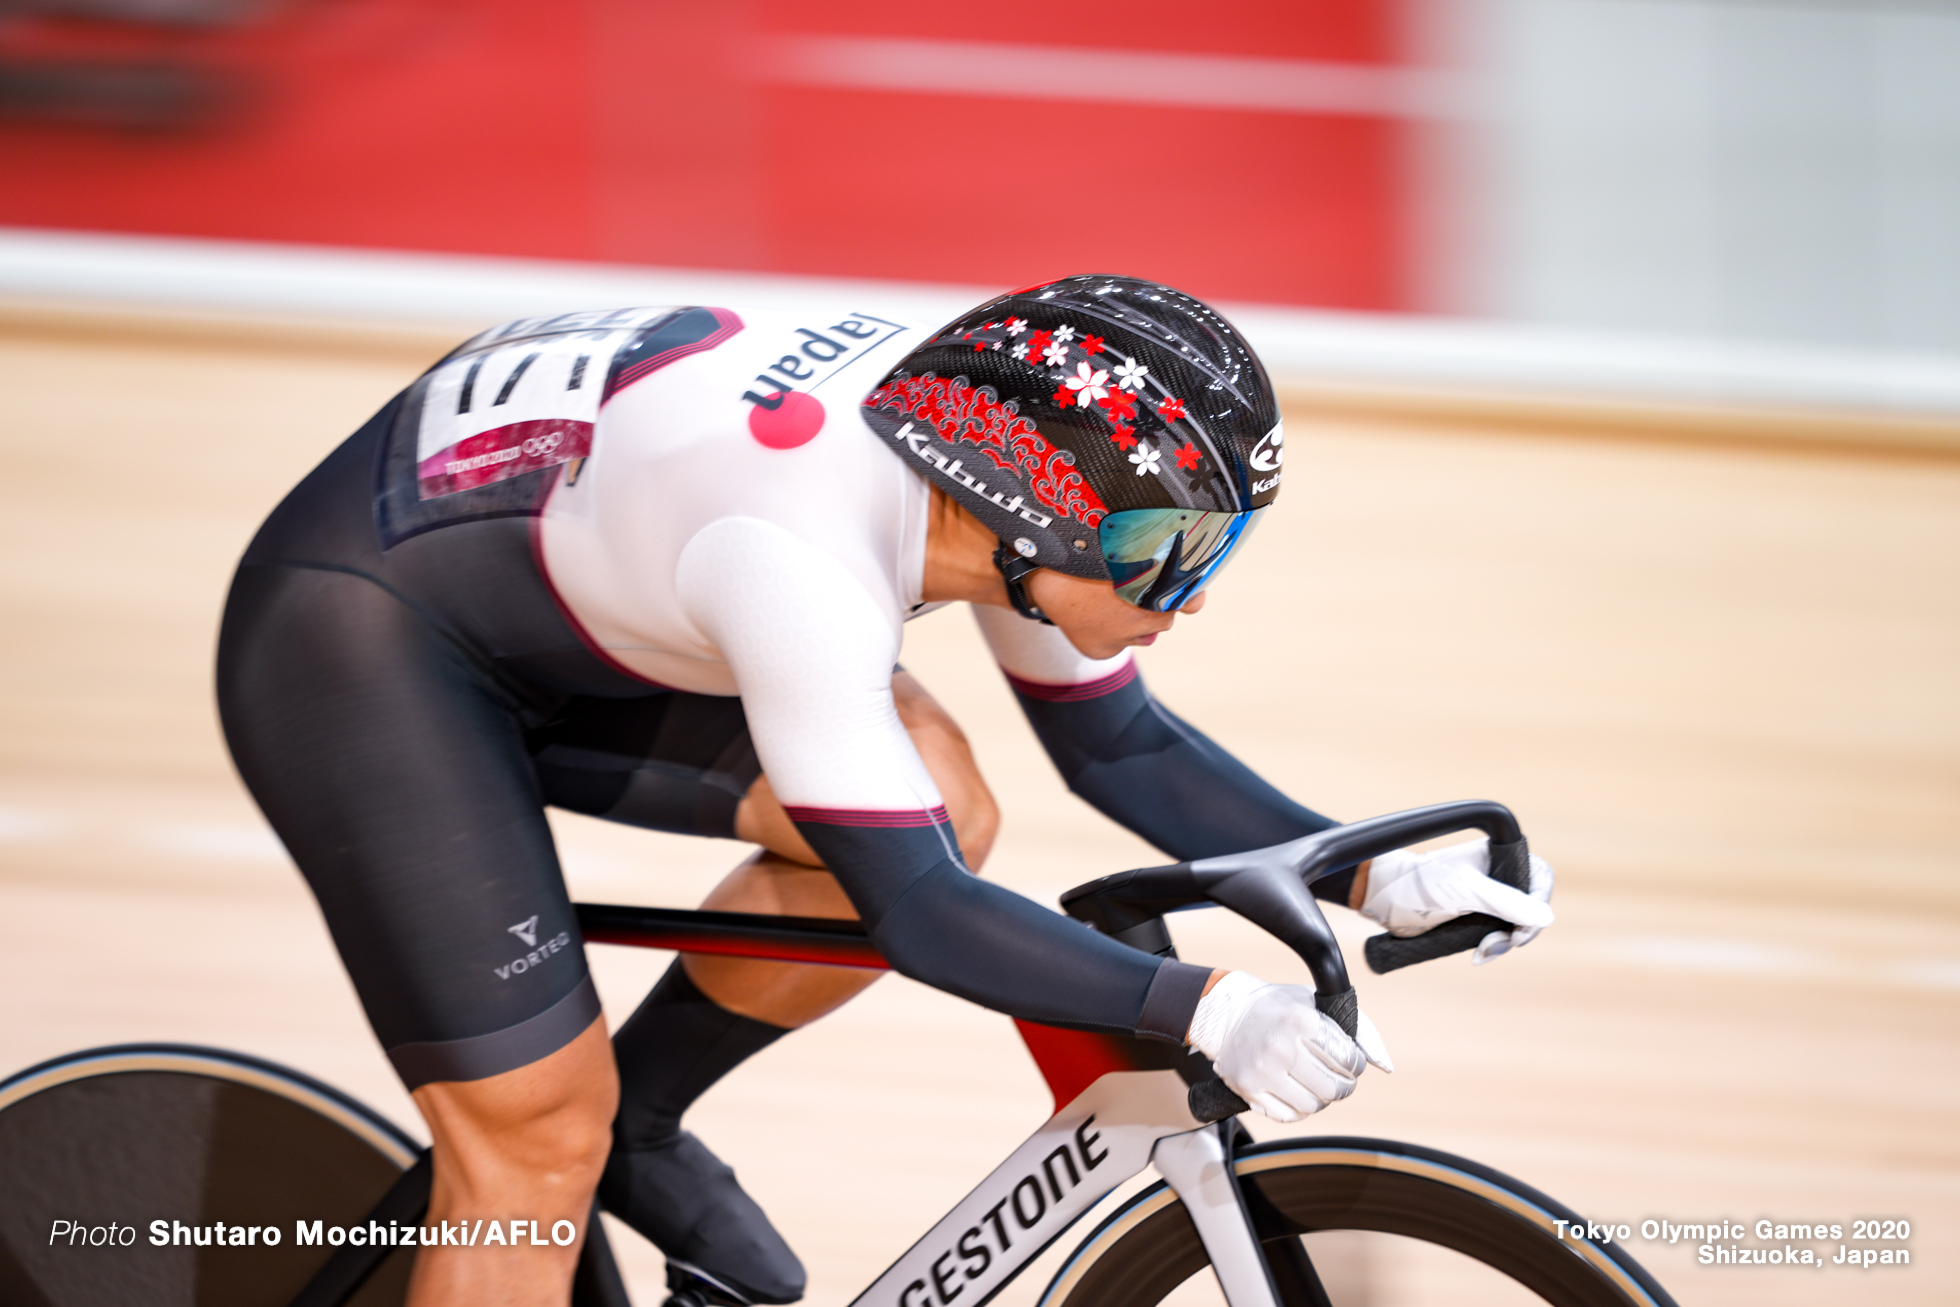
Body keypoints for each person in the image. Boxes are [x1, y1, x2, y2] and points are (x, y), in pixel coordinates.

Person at [215, 275, 1553, 1307]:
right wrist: (1205, 1004)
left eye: (1216, 547)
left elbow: (1121, 753)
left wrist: (1372, 874)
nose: (1187, 596)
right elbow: (913, 910)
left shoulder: (996, 497)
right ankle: (586, 1143)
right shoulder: (802, 558)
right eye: (1162, 552)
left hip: (601, 584)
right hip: (372, 644)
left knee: (939, 797)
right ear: (1033, 511)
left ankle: (651, 1113)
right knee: (533, 1143)